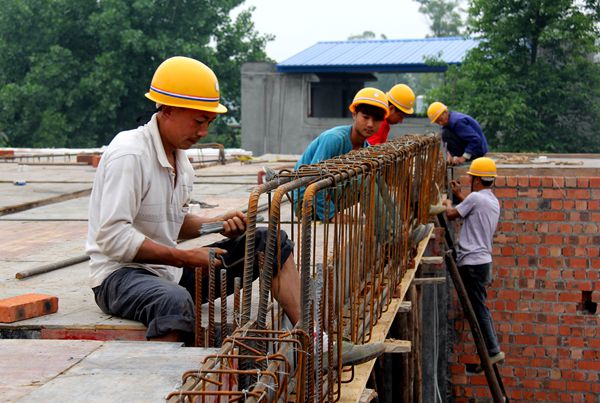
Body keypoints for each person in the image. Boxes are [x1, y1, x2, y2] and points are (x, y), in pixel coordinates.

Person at [86, 55, 383, 367]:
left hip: (167, 271)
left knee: (271, 242)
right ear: (167, 109)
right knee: (173, 302)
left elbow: (172, 223)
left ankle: (316, 343)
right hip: (119, 277)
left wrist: (214, 225)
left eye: (209, 123)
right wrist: (184, 257)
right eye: (198, 121)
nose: (203, 132)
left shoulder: (181, 161)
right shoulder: (129, 155)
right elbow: (112, 238)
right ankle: (160, 384)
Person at [442, 157, 504, 373]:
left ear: (476, 180)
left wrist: (446, 201)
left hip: (472, 263)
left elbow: (451, 215)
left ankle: (493, 351)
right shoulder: (491, 201)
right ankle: (491, 351)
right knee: (479, 306)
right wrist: (459, 196)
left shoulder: (476, 198)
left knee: (478, 308)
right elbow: (471, 205)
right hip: (483, 262)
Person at [294, 87, 389, 221]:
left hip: (329, 194)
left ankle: (398, 227)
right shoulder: (335, 138)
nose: (370, 124)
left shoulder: (366, 147)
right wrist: (331, 214)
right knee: (363, 178)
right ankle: (390, 236)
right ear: (354, 114)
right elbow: (313, 179)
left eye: (376, 120)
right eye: (365, 117)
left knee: (375, 175)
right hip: (306, 202)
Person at [427, 102, 488, 166]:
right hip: (470, 149)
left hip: (477, 151)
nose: (440, 123)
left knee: (445, 134)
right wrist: (449, 154)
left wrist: (464, 157)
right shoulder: (448, 122)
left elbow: (476, 140)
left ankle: (464, 157)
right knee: (444, 132)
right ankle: (455, 156)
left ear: (446, 112)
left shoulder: (457, 122)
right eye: (437, 122)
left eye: (441, 119)